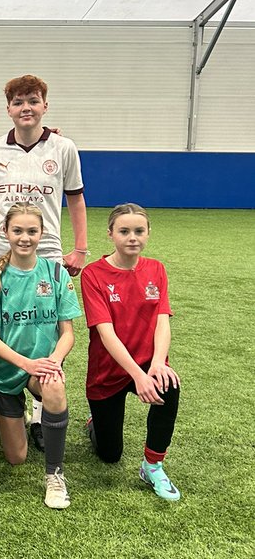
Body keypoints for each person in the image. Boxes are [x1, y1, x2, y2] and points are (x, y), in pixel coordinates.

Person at [0, 75, 88, 450]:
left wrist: (80, 248)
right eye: (18, 102)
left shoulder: (63, 148)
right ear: (8, 109)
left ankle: (43, 416)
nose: (25, 107)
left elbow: (75, 199)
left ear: (45, 105)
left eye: (33, 100)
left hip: (45, 253)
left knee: (48, 331)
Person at [0, 203, 81, 510]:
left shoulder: (56, 272)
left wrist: (53, 362)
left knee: (54, 387)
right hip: (6, 370)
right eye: (18, 231)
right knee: (16, 458)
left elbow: (68, 334)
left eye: (32, 231)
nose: (25, 238)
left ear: (42, 233)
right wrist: (26, 363)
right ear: (5, 232)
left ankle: (55, 476)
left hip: (42, 366)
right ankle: (16, 415)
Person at [80, 203, 182, 501]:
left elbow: (162, 320)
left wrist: (158, 364)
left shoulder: (156, 269)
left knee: (170, 384)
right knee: (109, 455)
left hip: (147, 365)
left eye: (139, 231)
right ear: (111, 234)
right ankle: (95, 424)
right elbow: (105, 332)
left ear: (148, 233)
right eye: (124, 231)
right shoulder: (93, 274)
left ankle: (152, 465)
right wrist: (136, 374)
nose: (132, 237)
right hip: (108, 371)